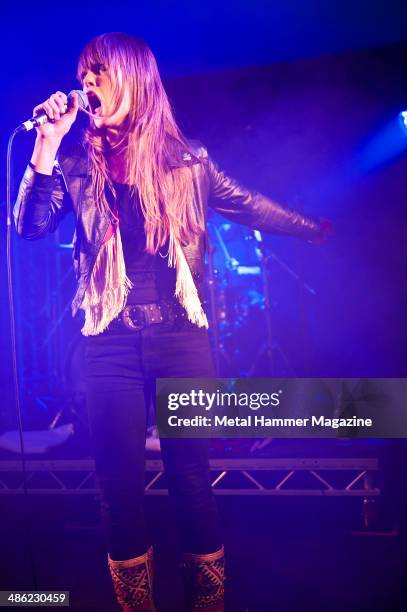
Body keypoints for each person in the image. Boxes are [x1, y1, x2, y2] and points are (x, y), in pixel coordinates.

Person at [14, 32, 330, 612]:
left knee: (191, 484)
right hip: (108, 342)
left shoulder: (188, 159)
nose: (87, 83)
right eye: (84, 73)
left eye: (100, 73)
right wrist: (46, 149)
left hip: (182, 338)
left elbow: (248, 203)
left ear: (134, 78)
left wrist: (318, 229)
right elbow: (30, 228)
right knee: (118, 493)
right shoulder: (77, 161)